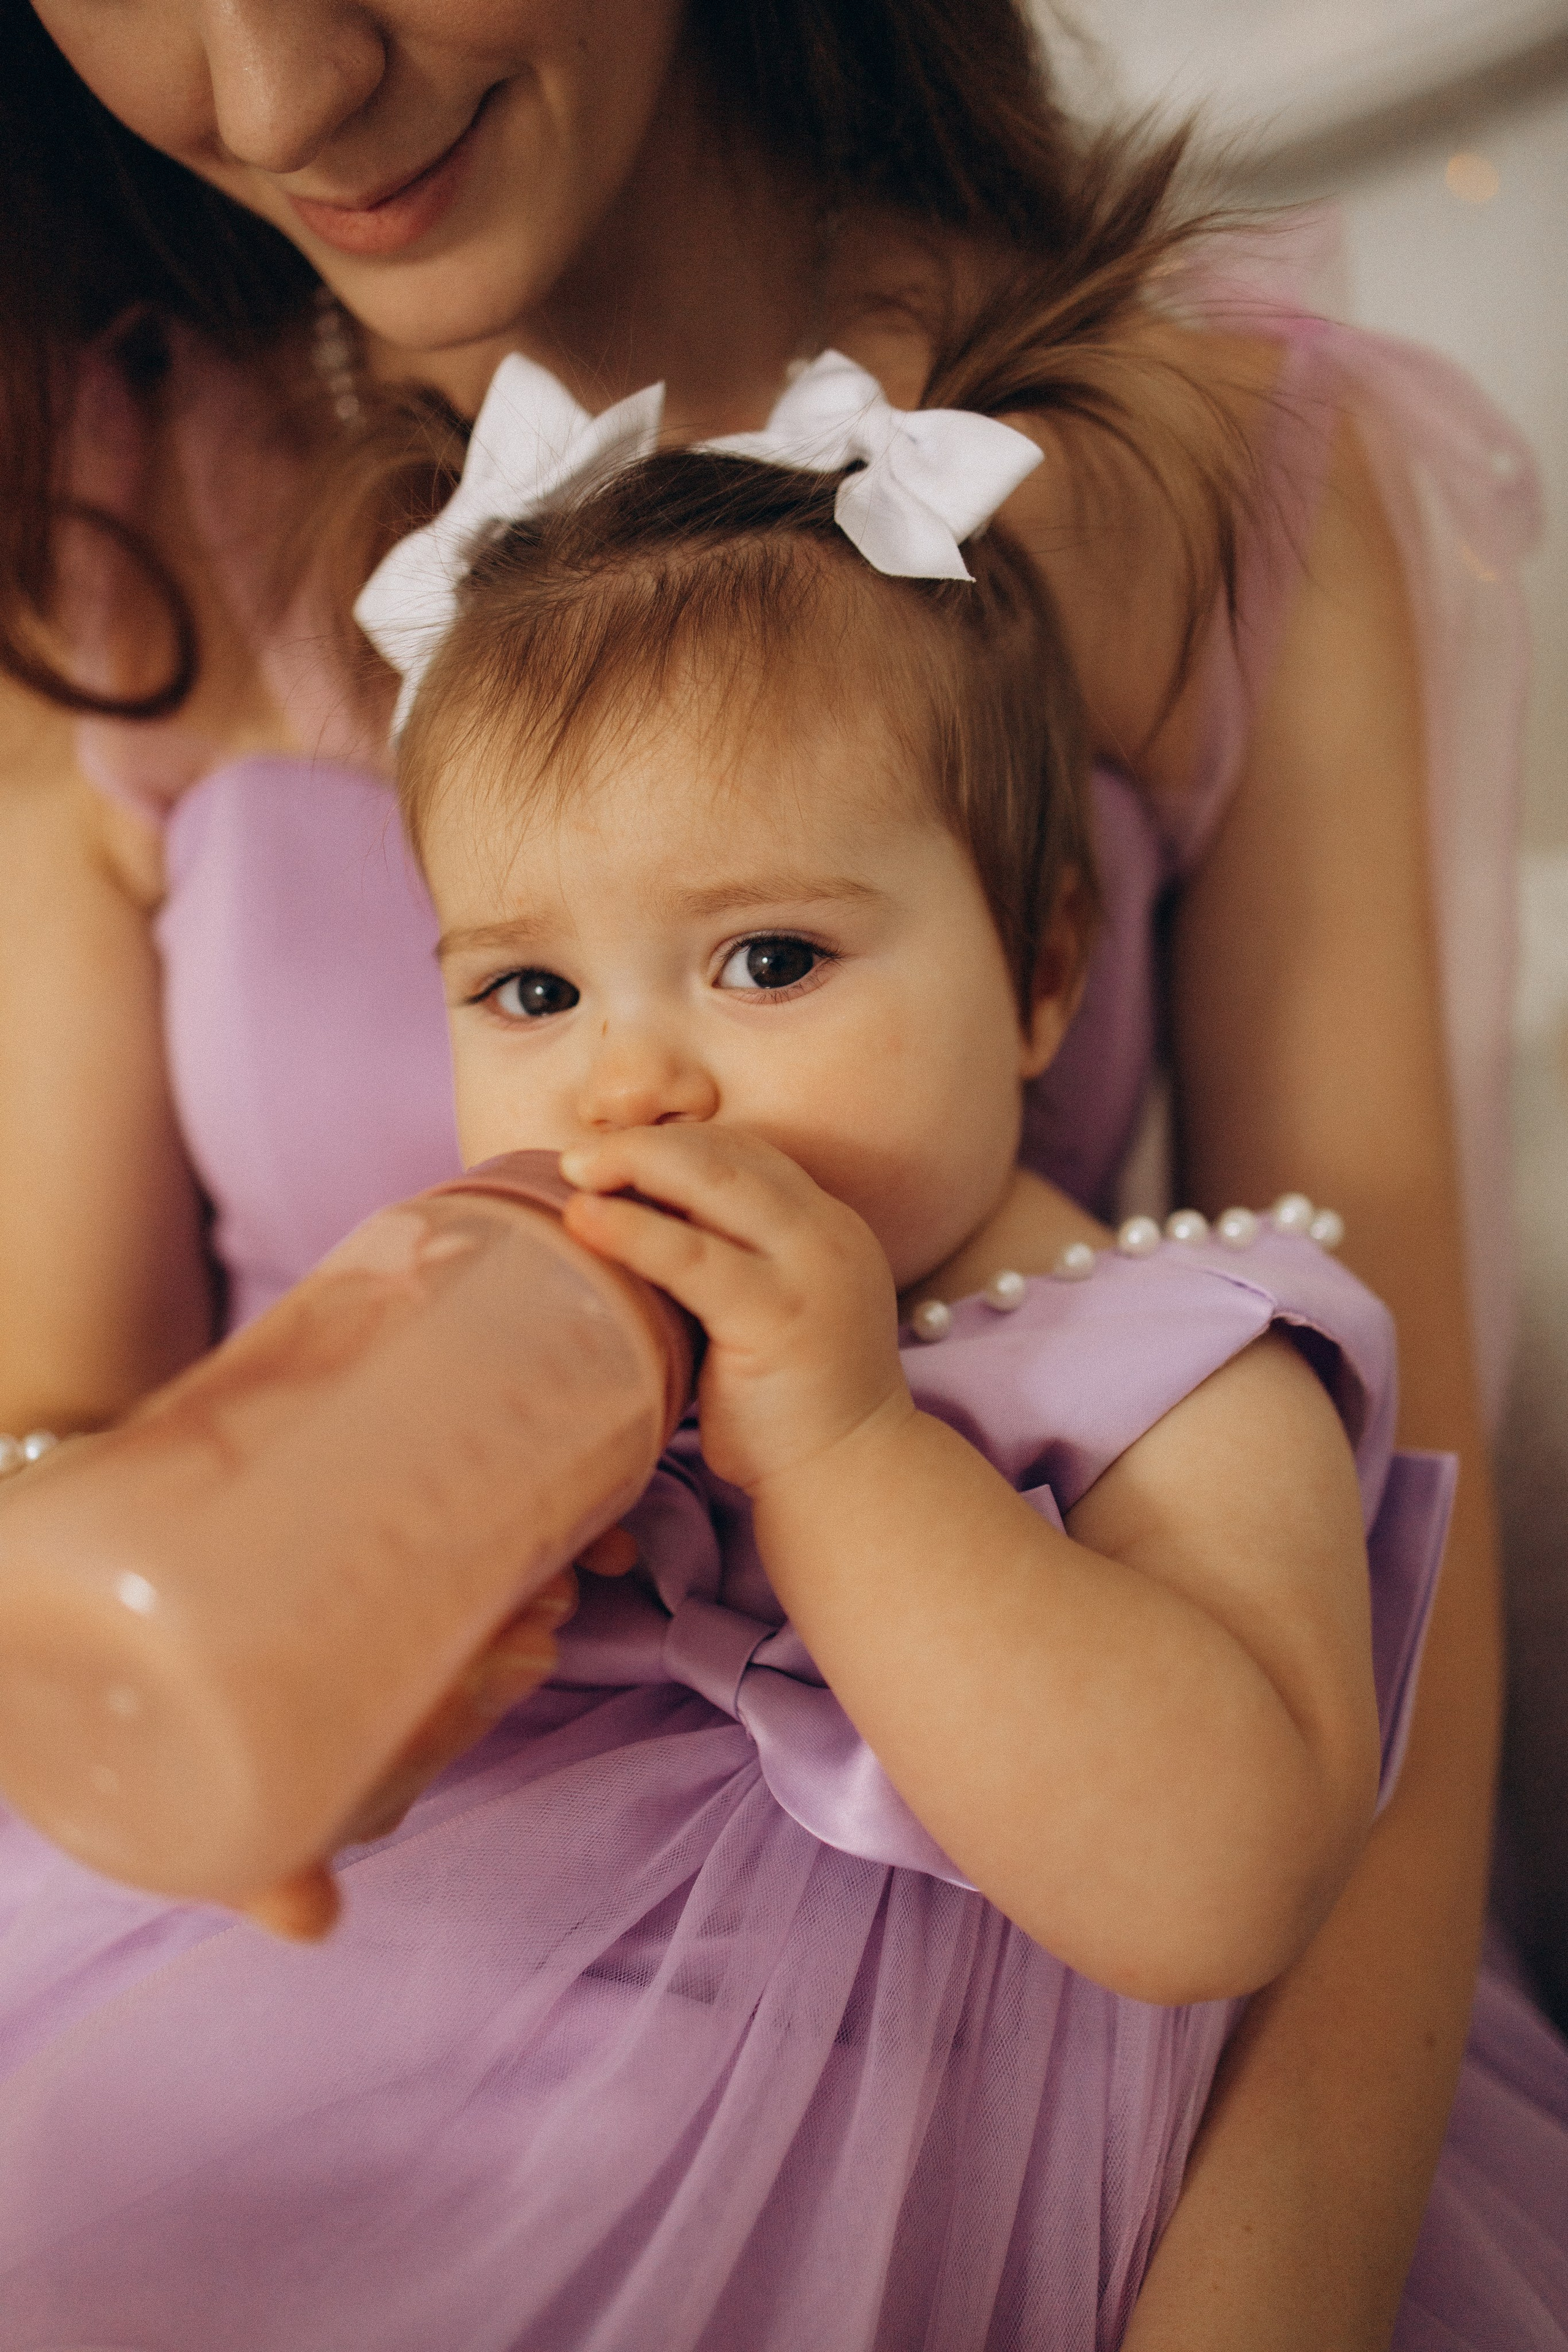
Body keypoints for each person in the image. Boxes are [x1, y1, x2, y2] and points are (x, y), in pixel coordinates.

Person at [0, 0, 1561, 2343]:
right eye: (522, 997)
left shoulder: (1154, 1364)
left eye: (766, 956)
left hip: (988, 2107)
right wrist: (232, 1621)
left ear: (1041, 972)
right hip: (360, 2000)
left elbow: (1320, 1752)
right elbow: (56, 1428)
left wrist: (833, 1440)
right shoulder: (89, 509)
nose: (278, 86)